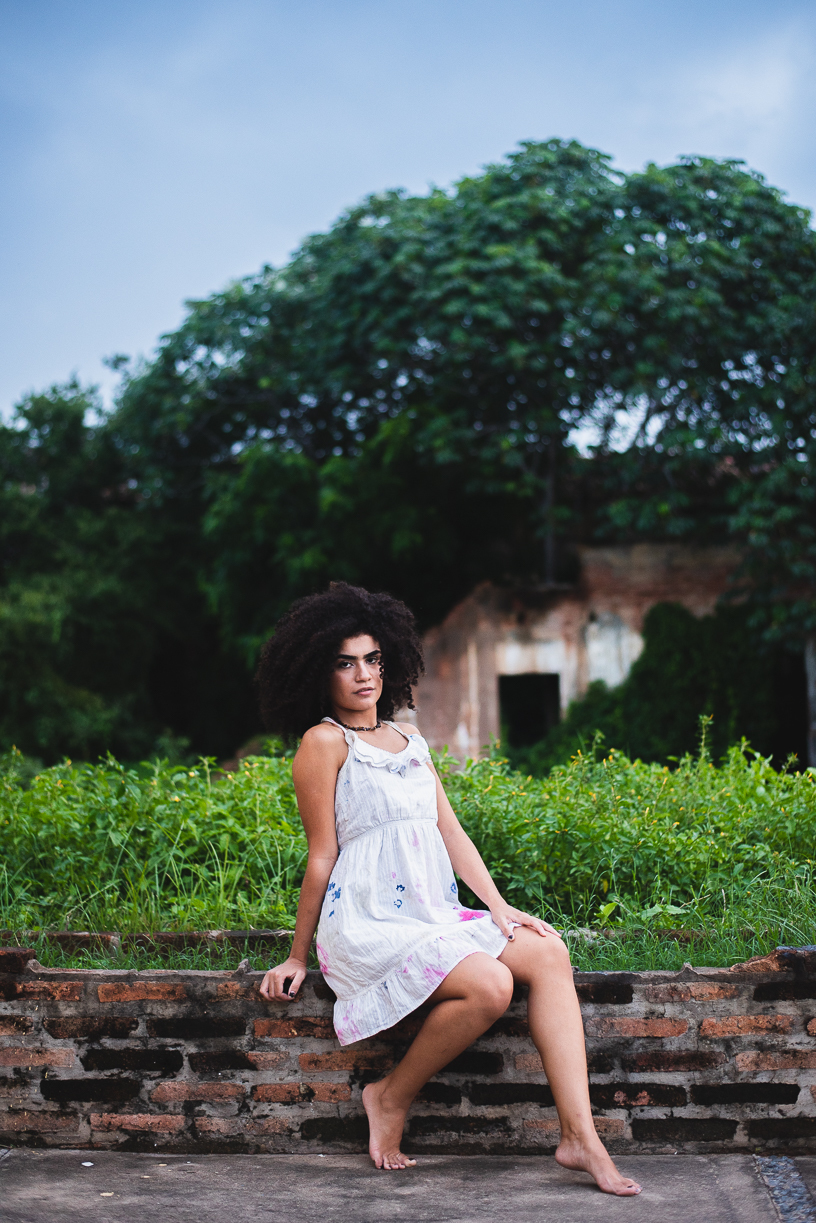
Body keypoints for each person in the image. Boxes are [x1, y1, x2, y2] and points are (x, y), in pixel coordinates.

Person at [257, 583, 640, 1194]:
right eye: (345, 663)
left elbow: (450, 832)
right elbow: (322, 855)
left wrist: (499, 907)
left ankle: (580, 1137)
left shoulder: (411, 740)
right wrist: (297, 956)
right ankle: (389, 1097)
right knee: (490, 984)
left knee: (548, 950)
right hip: (368, 921)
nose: (364, 675)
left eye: (373, 659)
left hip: (430, 914)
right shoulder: (323, 743)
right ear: (318, 672)